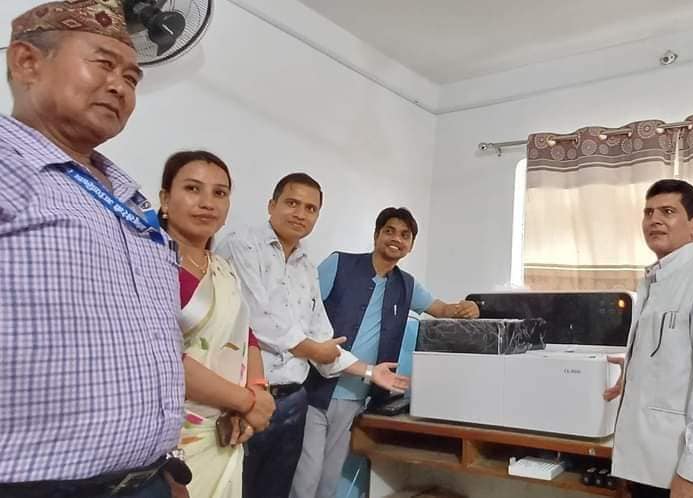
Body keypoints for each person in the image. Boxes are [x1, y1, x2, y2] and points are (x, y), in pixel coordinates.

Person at [0, 2, 189, 497]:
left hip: (148, 478)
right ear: (26, 62)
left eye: (131, 78)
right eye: (103, 64)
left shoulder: (129, 195)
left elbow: (152, 339)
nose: (120, 87)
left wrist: (165, 466)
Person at [291, 206, 480, 498]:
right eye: (389, 231)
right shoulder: (339, 264)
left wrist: (471, 306)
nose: (396, 239)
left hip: (356, 397)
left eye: (405, 235)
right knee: (305, 479)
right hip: (315, 390)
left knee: (329, 480)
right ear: (376, 235)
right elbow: (301, 307)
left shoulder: (407, 285)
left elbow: (443, 310)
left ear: (410, 245)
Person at [216, 173, 355, 498]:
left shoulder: (306, 265)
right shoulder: (242, 244)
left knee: (276, 490)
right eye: (292, 203)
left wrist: (369, 371)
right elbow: (257, 318)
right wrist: (314, 350)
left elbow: (321, 331)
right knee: (238, 489)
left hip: (294, 399)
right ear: (272, 205)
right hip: (247, 398)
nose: (300, 214)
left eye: (310, 208)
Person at [606, 179, 693, 498]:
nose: (654, 220)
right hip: (647, 463)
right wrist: (634, 371)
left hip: (686, 472)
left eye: (667, 212)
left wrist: (692, 471)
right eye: (648, 212)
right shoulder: (653, 280)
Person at [158, 151, 277, 498]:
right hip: (170, 440)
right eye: (192, 189)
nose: (207, 203)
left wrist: (257, 389)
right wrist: (247, 401)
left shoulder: (222, 268)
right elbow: (162, 358)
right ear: (165, 199)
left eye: (220, 193)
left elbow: (246, 334)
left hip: (226, 433)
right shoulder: (150, 266)